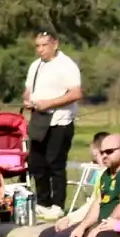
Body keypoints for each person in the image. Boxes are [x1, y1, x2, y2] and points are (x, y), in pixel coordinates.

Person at [23, 29, 83, 221]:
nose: (40, 50)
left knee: (55, 163)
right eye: (37, 46)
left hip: (60, 120)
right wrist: (28, 99)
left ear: (54, 44)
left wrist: (50, 103)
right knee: (36, 162)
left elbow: (75, 93)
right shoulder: (35, 65)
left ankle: (57, 204)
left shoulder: (67, 65)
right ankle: (43, 202)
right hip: (38, 118)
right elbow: (28, 90)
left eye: (44, 45)